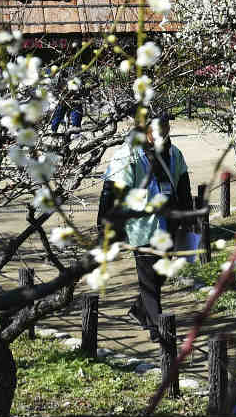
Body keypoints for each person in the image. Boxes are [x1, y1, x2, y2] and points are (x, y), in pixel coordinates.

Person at [96, 112, 191, 342]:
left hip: (168, 222)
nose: (163, 133)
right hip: (140, 225)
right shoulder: (127, 154)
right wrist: (104, 223)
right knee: (148, 277)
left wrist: (187, 214)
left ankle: (141, 310)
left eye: (166, 128)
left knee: (162, 272)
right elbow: (110, 190)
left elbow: (183, 182)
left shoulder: (174, 152)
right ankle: (157, 328)